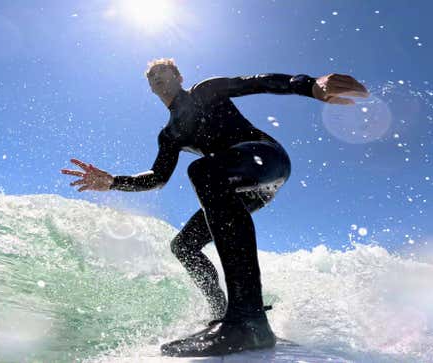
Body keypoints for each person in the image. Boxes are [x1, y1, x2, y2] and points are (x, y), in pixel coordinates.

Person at [61, 58, 369, 357]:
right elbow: (156, 178)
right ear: (151, 90)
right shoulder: (169, 135)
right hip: (235, 186)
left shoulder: (205, 91)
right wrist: (114, 181)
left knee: (203, 171)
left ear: (178, 76)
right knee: (183, 245)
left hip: (265, 159)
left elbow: (257, 82)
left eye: (163, 72)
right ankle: (223, 314)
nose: (157, 77)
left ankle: (248, 319)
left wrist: (309, 85)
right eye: (151, 77)